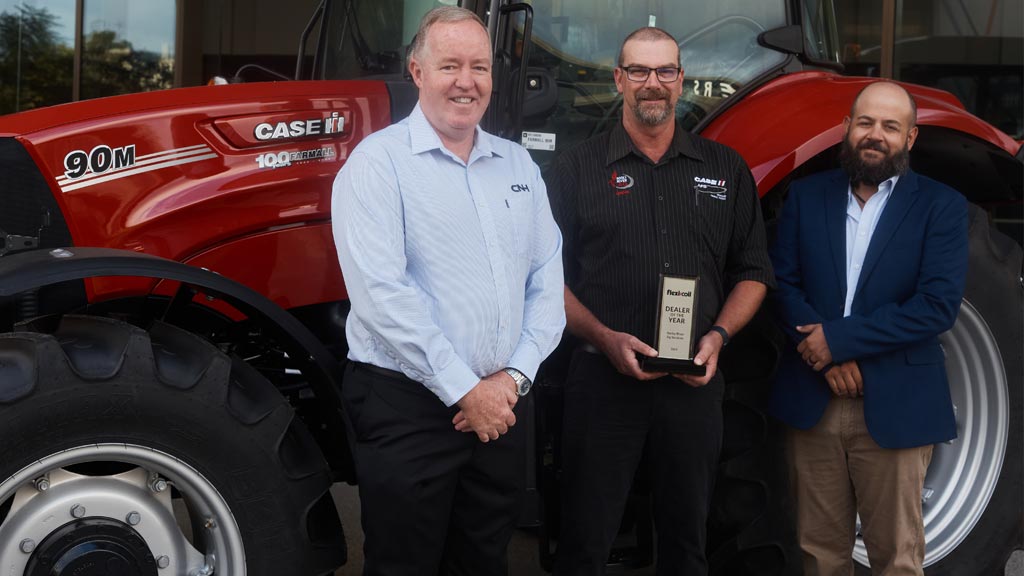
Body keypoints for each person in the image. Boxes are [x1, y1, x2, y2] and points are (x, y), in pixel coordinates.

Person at [330, 6, 565, 575]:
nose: (467, 81)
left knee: (484, 560)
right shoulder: (377, 164)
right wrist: (466, 391)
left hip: (502, 409)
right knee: (403, 564)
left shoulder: (517, 165)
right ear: (417, 72)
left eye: (479, 67)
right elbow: (381, 296)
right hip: (407, 408)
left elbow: (547, 282)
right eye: (450, 65)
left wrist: (511, 381)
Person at [548, 27, 774, 575]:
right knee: (584, 543)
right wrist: (604, 337)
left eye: (665, 71)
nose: (653, 83)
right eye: (640, 71)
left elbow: (753, 273)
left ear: (681, 79)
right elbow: (544, 279)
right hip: (601, 381)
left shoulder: (725, 169)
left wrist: (718, 336)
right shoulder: (575, 170)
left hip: (693, 385)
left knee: (687, 544)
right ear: (619, 79)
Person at [768, 81, 968, 575]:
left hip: (897, 404)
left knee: (896, 558)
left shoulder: (941, 206)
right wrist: (823, 356)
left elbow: (935, 306)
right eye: (865, 122)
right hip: (814, 403)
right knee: (818, 556)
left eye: (890, 126)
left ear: (910, 138)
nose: (875, 135)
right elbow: (781, 285)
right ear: (846, 128)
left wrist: (836, 342)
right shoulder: (806, 196)